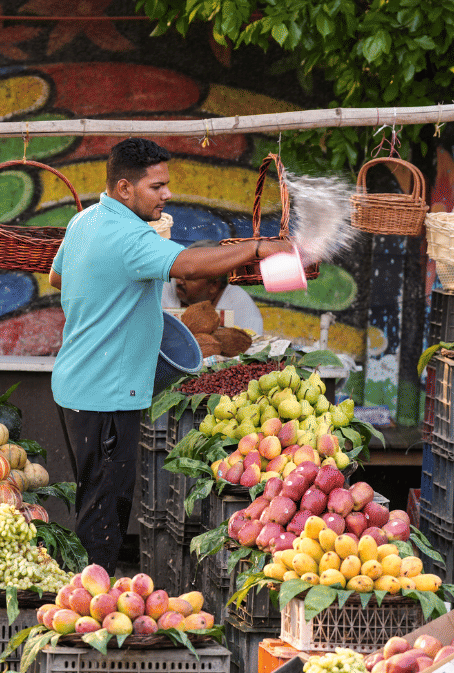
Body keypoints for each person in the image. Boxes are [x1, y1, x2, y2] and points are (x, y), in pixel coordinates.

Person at [49, 138, 292, 571]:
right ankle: (85, 611)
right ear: (125, 188)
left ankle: (83, 591)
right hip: (107, 395)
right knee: (104, 518)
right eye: (157, 186)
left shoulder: (85, 221)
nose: (167, 195)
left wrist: (112, 299)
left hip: (77, 386)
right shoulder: (128, 236)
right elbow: (192, 265)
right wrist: (257, 248)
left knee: (94, 499)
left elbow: (56, 278)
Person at [161, 239, 265, 334]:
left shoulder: (242, 308)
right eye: (179, 273)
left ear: (214, 286)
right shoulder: (162, 288)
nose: (178, 280)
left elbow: (252, 349)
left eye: (189, 277)